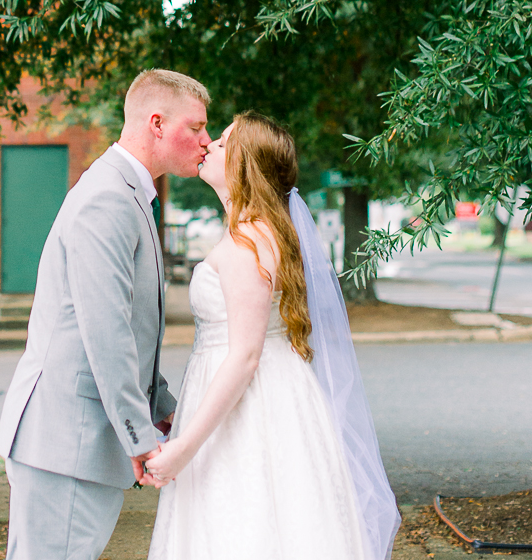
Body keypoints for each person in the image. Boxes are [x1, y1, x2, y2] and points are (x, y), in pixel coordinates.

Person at [145, 111, 400, 560]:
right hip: (276, 399)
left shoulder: (247, 244)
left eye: (223, 143)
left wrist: (183, 448)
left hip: (250, 410)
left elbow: (244, 356)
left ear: (244, 166)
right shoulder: (263, 233)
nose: (209, 145)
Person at [0, 69, 211, 560]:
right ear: (156, 123)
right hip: (66, 440)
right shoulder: (109, 198)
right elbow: (106, 332)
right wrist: (140, 438)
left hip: (73, 441)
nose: (205, 141)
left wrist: (163, 407)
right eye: (196, 127)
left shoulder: (128, 193)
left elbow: (132, 325)